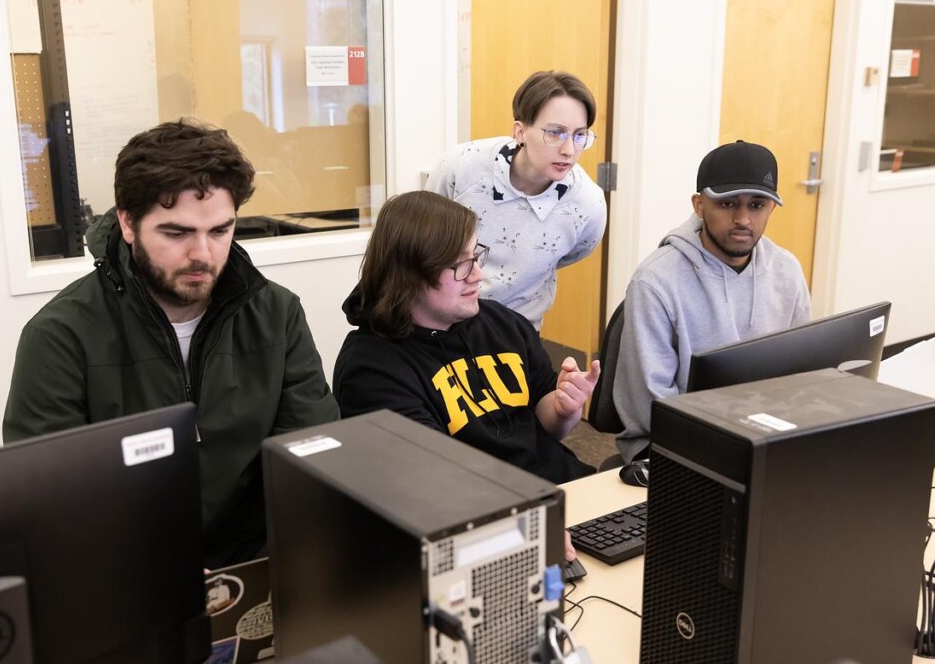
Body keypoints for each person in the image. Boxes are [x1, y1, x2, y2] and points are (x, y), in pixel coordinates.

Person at [3, 119, 339, 567]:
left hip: (255, 561)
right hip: (122, 572)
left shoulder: (276, 315)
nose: (202, 253)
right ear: (127, 222)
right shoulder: (60, 337)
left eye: (220, 231)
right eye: (177, 233)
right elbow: (48, 500)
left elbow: (311, 454)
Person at [333, 190, 599, 486]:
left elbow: (548, 426)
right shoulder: (371, 369)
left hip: (563, 490)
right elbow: (435, 487)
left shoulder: (502, 322)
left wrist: (564, 409)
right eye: (460, 264)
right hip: (489, 515)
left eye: (475, 256)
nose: (478, 275)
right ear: (409, 275)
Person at [613, 140, 811, 462]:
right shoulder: (656, 281)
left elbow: (805, 372)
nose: (744, 220)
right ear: (699, 205)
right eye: (728, 204)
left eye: (757, 205)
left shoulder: (786, 269)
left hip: (766, 435)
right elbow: (651, 407)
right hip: (675, 445)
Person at [425, 70, 607, 330]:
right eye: (555, 133)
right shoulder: (460, 167)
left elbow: (572, 253)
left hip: (517, 333)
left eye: (579, 135)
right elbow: (424, 236)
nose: (569, 150)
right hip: (444, 324)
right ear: (520, 131)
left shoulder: (588, 204)